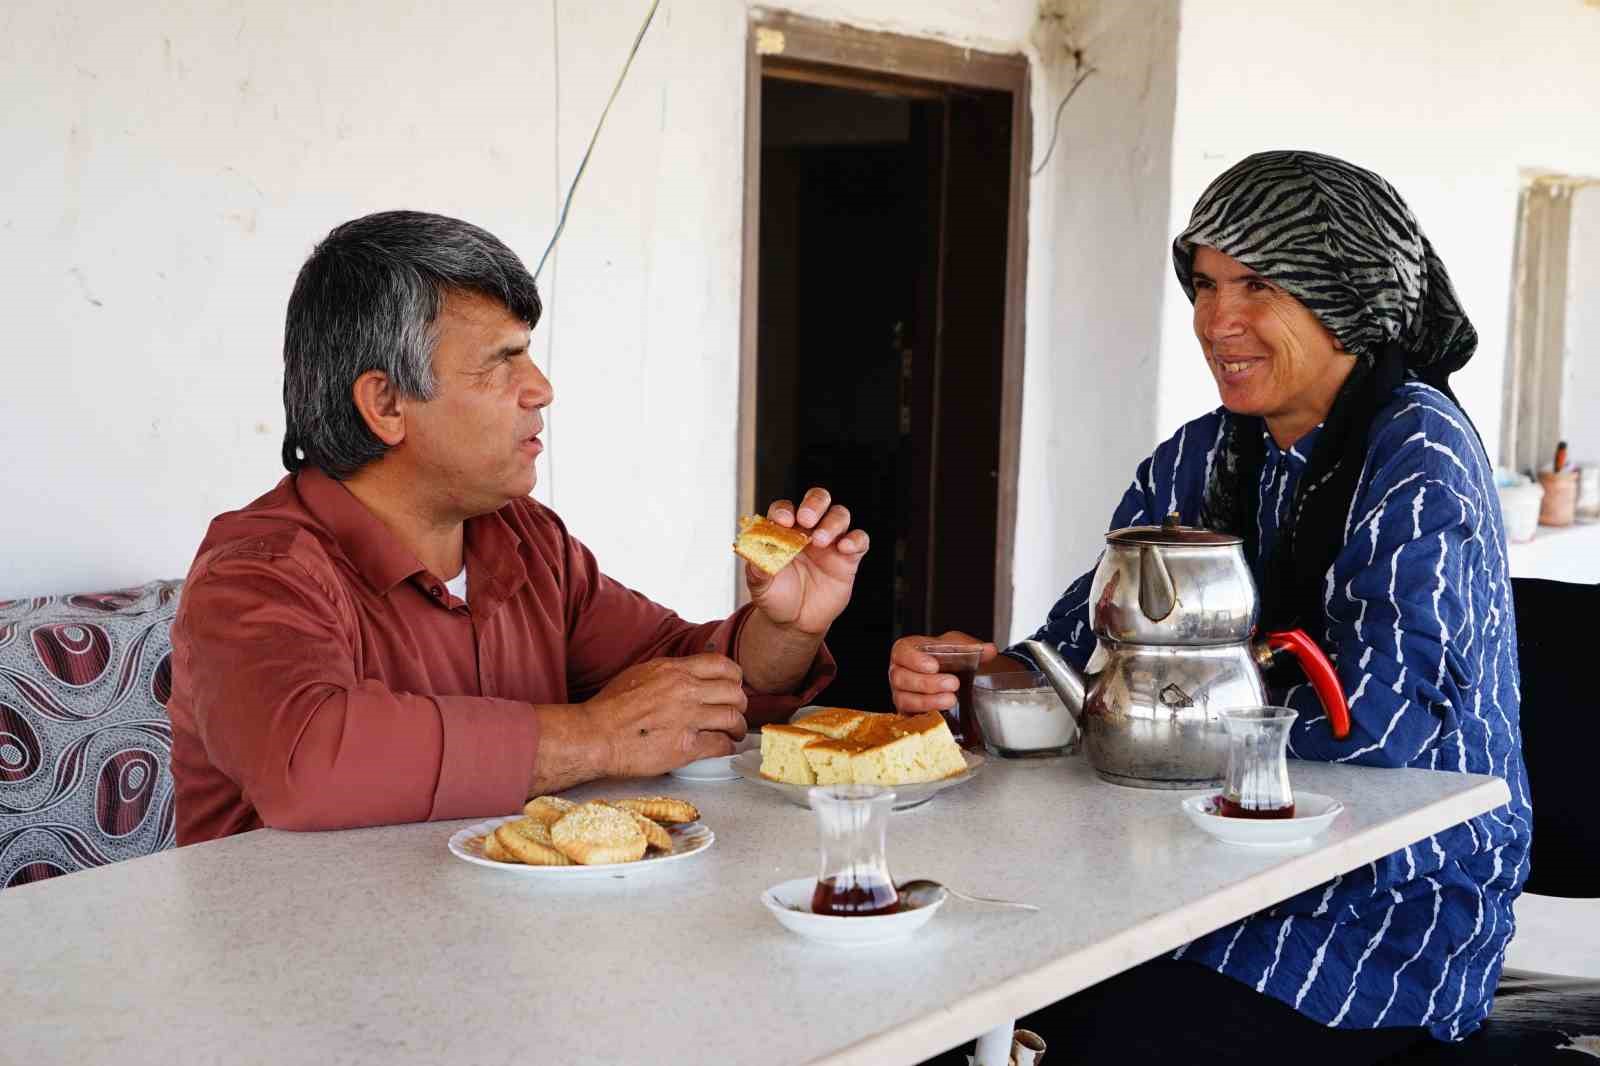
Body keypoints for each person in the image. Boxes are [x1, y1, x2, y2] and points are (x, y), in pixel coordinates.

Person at [893, 151, 1529, 1061]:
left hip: (1382, 914)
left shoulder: (1419, 456)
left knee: (1092, 1031)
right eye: (1202, 283)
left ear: (1346, 289)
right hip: (1179, 881)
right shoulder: (1194, 461)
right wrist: (978, 679)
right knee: (950, 989)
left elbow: (1386, 729)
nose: (1215, 320)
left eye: (1257, 283)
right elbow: (1079, 655)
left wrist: (1145, 715)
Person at [168, 210, 868, 844]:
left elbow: (687, 686)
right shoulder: (255, 569)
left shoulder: (526, 541)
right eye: (503, 363)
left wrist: (784, 630)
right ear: (385, 403)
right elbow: (308, 761)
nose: (542, 389)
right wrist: (593, 737)